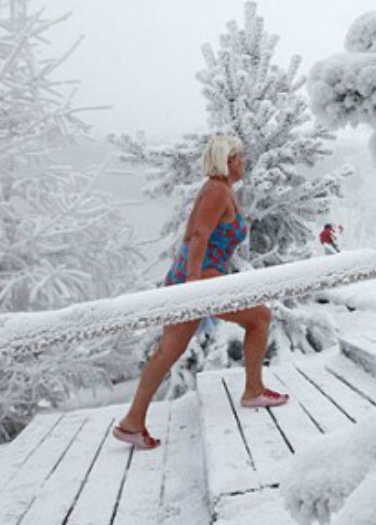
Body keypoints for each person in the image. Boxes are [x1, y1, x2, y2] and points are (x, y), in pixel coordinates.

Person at [113, 135, 289, 450]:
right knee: (260, 317)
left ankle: (132, 423)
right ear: (227, 160)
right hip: (198, 278)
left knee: (169, 350)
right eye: (240, 157)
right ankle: (253, 390)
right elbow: (199, 234)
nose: (244, 162)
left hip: (200, 276)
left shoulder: (223, 191)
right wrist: (195, 284)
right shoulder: (217, 191)